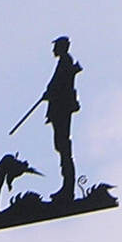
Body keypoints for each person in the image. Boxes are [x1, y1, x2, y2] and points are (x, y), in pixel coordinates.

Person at [44, 36, 82, 202]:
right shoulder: (64, 63)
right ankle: (66, 188)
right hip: (59, 109)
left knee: (64, 147)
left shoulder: (65, 62)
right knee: (61, 147)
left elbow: (61, 85)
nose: (53, 50)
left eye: (56, 47)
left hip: (62, 110)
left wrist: (51, 92)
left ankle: (68, 189)